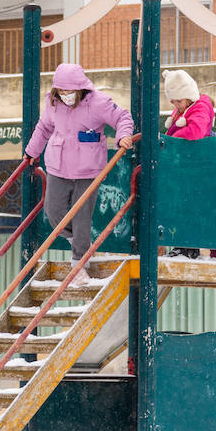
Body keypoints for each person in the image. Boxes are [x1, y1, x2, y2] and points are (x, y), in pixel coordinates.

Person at [24, 62, 135, 286]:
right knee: (54, 213)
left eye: (70, 92)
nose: (65, 96)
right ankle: (78, 240)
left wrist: (124, 135)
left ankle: (79, 265)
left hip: (88, 170)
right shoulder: (52, 102)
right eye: (62, 91)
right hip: (58, 167)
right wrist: (31, 152)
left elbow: (123, 117)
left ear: (81, 88)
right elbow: (44, 127)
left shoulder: (98, 103)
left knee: (82, 217)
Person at [162, 69, 216, 260]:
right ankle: (186, 246)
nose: (175, 105)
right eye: (172, 101)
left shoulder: (200, 108)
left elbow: (196, 131)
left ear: (189, 96)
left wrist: (172, 140)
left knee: (193, 206)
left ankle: (192, 247)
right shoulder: (184, 108)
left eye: (178, 101)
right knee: (187, 206)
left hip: (199, 165)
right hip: (188, 166)